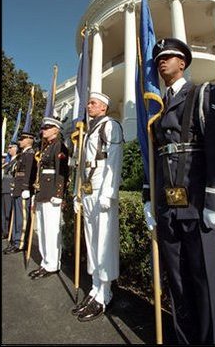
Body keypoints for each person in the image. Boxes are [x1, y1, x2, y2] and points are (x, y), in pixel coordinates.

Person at [143, 38, 215, 344]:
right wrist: (148, 200)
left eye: (167, 57)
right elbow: (154, 158)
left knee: (205, 280)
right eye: (158, 59)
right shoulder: (158, 107)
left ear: (182, 63)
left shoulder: (203, 92)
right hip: (168, 207)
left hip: (196, 202)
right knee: (178, 283)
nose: (161, 62)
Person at [72, 92, 124, 322]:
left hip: (102, 190)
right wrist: (78, 194)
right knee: (92, 240)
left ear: (103, 107)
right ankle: (95, 289)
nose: (88, 105)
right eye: (89, 102)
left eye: (93, 103)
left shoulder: (110, 126)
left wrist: (109, 193)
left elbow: (114, 159)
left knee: (104, 242)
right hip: (89, 190)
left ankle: (105, 294)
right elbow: (81, 165)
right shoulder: (89, 130)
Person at [28, 117, 69, 280]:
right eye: (43, 127)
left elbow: (62, 172)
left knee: (51, 231)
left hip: (52, 194)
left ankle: (53, 264)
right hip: (42, 193)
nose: (43, 130)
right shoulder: (46, 148)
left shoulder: (59, 146)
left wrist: (59, 194)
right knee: (43, 231)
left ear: (56, 130)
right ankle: (45, 262)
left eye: (47, 127)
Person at [4, 132, 37, 254]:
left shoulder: (30, 154)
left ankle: (20, 242)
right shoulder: (22, 154)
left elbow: (29, 172)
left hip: (23, 190)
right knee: (17, 216)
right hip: (17, 188)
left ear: (29, 140)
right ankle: (15, 240)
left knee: (22, 218)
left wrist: (26, 188)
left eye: (22, 139)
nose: (20, 141)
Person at [1, 142, 18, 240]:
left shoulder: (17, 160)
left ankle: (8, 231)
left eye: (10, 148)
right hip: (4, 187)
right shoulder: (9, 160)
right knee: (3, 211)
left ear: (15, 149)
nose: (9, 149)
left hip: (9, 188)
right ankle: (4, 230)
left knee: (8, 212)